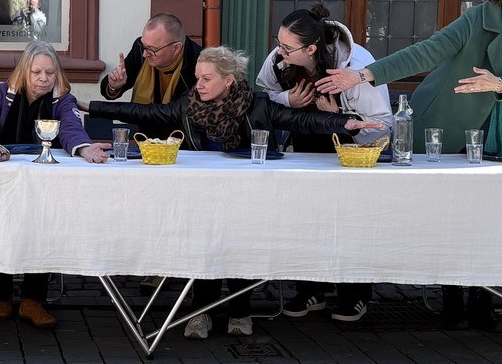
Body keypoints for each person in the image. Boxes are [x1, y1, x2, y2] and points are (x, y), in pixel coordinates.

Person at [315, 0, 502, 333]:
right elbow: (425, 52)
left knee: (491, 220)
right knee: (452, 215)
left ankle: (482, 297)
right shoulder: (476, 21)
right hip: (444, 127)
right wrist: (363, 75)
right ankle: (452, 298)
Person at [83, 46, 382, 339]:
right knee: (204, 241)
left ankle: (240, 310)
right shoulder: (188, 105)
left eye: (206, 78)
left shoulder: (258, 105)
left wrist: (348, 123)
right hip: (204, 194)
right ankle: (199, 311)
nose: (198, 84)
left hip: (251, 195)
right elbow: (146, 112)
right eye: (198, 77)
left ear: (228, 81)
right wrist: (91, 106)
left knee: (242, 239)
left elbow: (302, 120)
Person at [0, 41, 110, 330]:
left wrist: (85, 148)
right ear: (24, 72)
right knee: (1, 227)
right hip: (5, 177)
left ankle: (32, 301)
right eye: (37, 72)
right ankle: (0, 295)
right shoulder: (3, 93)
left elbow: (70, 127)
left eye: (50, 72)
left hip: (44, 180)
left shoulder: (62, 98)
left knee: (40, 230)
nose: (44, 78)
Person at [256, 5, 393, 323]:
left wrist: (337, 118)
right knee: (305, 218)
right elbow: (263, 96)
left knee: (351, 221)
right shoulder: (280, 59)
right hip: (303, 144)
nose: (279, 51)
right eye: (278, 42)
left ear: (311, 48)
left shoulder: (358, 65)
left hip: (353, 151)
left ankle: (355, 295)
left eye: (287, 47)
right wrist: (288, 101)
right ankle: (309, 290)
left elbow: (382, 125)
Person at [100, 13, 203, 138]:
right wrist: (113, 86)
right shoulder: (140, 49)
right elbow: (108, 92)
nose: (145, 54)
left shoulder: (197, 63)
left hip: (183, 139)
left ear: (176, 48)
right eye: (144, 46)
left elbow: (180, 113)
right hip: (147, 137)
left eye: (152, 49)